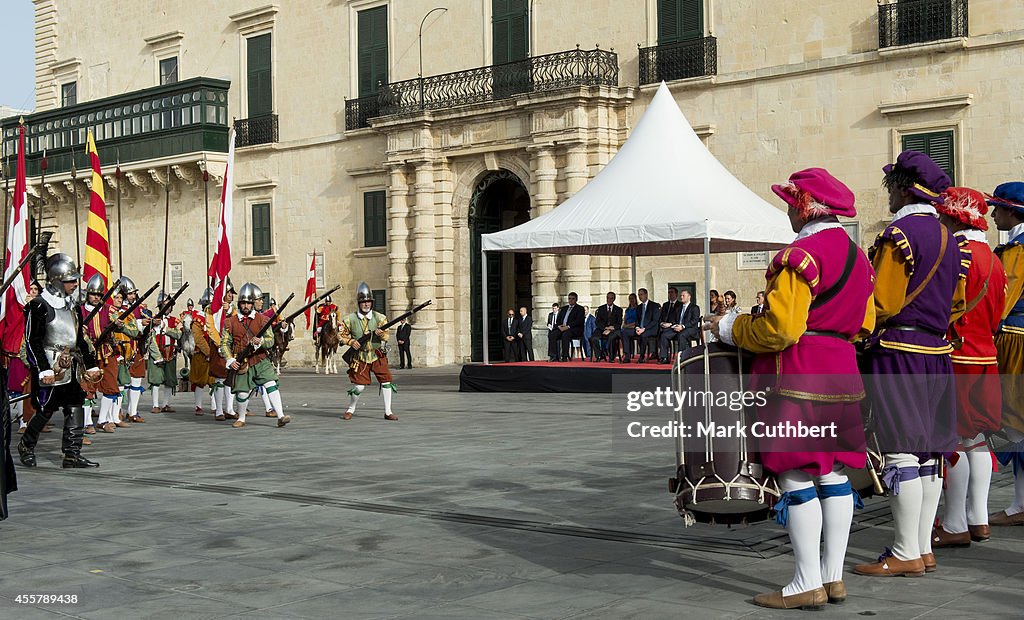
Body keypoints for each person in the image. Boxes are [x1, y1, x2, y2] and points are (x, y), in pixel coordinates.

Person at [710, 167, 874, 610]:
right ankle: (833, 578)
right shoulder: (860, 258)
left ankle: (805, 582)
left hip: (798, 375)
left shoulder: (799, 255)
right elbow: (866, 323)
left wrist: (731, 326)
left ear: (803, 208)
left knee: (796, 473)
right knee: (834, 472)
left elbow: (781, 328)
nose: (785, 210)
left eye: (789, 202)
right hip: (842, 374)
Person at [854, 150, 964, 578]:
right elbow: (956, 302)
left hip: (900, 351)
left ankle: (904, 552)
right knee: (928, 454)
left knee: (900, 449)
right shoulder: (948, 236)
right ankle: (921, 549)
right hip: (938, 353)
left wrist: (856, 328)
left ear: (902, 187)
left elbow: (882, 301)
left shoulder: (900, 233)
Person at [930, 187, 1007, 547]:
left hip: (957, 354)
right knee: (976, 438)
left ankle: (956, 523)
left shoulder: (958, 254)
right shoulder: (994, 258)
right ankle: (978, 518)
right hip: (985, 355)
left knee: (954, 439)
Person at [17, 254, 103, 469]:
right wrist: (43, 369)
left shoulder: (72, 307)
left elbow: (79, 340)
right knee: (46, 409)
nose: (75, 284)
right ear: (57, 281)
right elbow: (32, 341)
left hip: (71, 366)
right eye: (71, 280)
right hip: (51, 366)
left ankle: (72, 454)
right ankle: (26, 446)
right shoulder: (38, 306)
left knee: (75, 406)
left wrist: (90, 364)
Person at [988, 182, 1024, 526]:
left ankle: (1020, 504)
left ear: (1011, 210)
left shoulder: (1017, 249)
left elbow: (1003, 300)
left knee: (1015, 422)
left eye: (996, 209)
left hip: (1015, 338)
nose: (992, 214)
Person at [221, 283, 291, 429]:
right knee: (241, 393)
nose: (246, 306)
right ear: (239, 304)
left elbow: (271, 340)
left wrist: (261, 342)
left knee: (271, 383)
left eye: (248, 303)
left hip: (260, 359)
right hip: (242, 362)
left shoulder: (262, 320)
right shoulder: (230, 322)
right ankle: (241, 417)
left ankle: (280, 415)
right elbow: (225, 344)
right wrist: (230, 359)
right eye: (243, 303)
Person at [81, 275, 138, 434]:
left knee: (110, 387)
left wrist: (119, 326)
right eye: (93, 294)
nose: (96, 298)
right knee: (88, 389)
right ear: (88, 294)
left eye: (99, 295)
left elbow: (129, 329)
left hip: (107, 351)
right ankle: (87, 422)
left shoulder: (109, 309)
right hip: (88, 354)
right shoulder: (79, 310)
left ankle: (103, 420)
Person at [339, 282, 397, 421]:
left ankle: (388, 411)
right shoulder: (349, 319)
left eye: (368, 302)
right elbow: (340, 336)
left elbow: (387, 336)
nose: (366, 305)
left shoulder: (380, 318)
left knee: (386, 381)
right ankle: (351, 408)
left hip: (377, 354)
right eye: (364, 302)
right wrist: (352, 342)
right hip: (360, 356)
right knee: (359, 387)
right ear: (359, 303)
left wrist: (381, 334)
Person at [147, 292, 182, 414]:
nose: (167, 308)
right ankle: (155, 405)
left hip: (170, 352)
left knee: (169, 380)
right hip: (157, 352)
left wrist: (165, 328)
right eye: (165, 305)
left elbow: (178, 334)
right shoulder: (154, 319)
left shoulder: (174, 320)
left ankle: (166, 404)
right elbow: (149, 336)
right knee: (156, 380)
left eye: (169, 305)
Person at [659, 289, 701, 362]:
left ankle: (681, 358)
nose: (681, 297)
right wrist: (672, 325)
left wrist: (683, 326)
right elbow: (675, 319)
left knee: (681, 335)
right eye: (681, 296)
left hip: (690, 329)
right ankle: (664, 357)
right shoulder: (679, 308)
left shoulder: (694, 307)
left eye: (683, 295)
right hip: (678, 328)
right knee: (664, 334)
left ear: (689, 297)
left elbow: (694, 321)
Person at [622, 288, 659, 363]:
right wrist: (637, 327)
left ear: (646, 295)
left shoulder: (654, 305)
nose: (640, 297)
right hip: (639, 329)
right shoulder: (639, 307)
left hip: (650, 329)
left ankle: (641, 356)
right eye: (639, 295)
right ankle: (627, 355)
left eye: (641, 294)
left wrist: (644, 329)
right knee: (624, 332)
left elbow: (655, 321)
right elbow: (637, 320)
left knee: (643, 335)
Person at [547, 292, 584, 362]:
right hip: (562, 328)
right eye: (569, 298)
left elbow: (579, 321)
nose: (571, 300)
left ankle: (564, 356)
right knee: (552, 334)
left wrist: (568, 326)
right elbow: (558, 320)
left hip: (573, 329)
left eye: (573, 299)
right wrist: (559, 326)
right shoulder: (564, 308)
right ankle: (553, 356)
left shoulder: (580, 309)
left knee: (565, 335)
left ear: (576, 299)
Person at [589, 292, 623, 362]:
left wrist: (611, 328)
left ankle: (611, 357)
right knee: (594, 338)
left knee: (612, 338)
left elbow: (619, 323)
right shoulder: (601, 308)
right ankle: (599, 355)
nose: (609, 300)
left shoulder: (618, 310)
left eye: (611, 298)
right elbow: (597, 322)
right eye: (608, 298)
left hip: (613, 329)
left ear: (614, 299)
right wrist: (605, 328)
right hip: (602, 328)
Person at [608, 293, 637, 362]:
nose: (631, 300)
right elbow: (624, 321)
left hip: (634, 328)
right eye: (630, 299)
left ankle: (626, 354)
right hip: (625, 328)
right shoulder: (627, 310)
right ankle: (612, 355)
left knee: (624, 333)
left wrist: (628, 326)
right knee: (613, 336)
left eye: (632, 298)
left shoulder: (638, 309)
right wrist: (625, 325)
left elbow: (637, 321)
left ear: (636, 299)